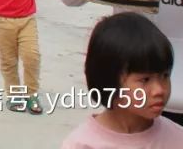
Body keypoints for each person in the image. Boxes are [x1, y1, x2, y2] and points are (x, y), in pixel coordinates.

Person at [61, 13, 183, 147]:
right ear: (108, 80)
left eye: (165, 76)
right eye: (145, 79)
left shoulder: (177, 138)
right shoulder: (81, 144)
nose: (159, 89)